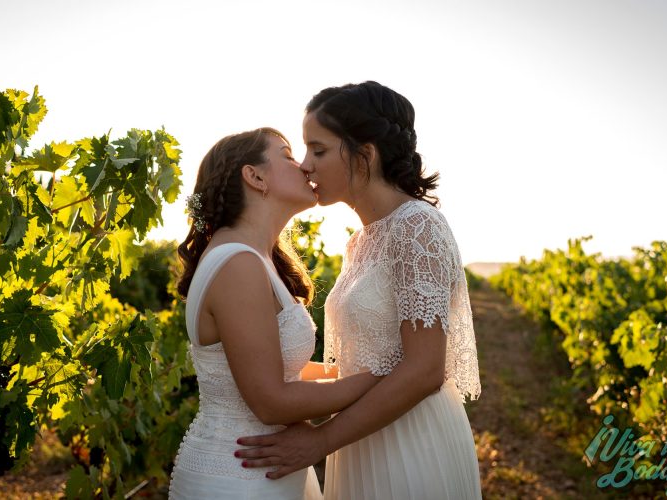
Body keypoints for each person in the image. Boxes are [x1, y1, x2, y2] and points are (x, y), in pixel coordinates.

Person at [236, 82, 483, 499]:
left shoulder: (417, 226)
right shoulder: (361, 241)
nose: (305, 166)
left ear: (365, 154)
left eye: (318, 149)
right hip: (361, 440)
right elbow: (363, 360)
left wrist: (320, 440)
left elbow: (424, 369)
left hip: (412, 443)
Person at [168, 127, 381, 500]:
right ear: (255, 176)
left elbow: (283, 370)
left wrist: (350, 372)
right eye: (286, 155)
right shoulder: (237, 263)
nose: (303, 165)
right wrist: (382, 378)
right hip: (238, 478)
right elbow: (271, 401)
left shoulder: (253, 258)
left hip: (264, 469)